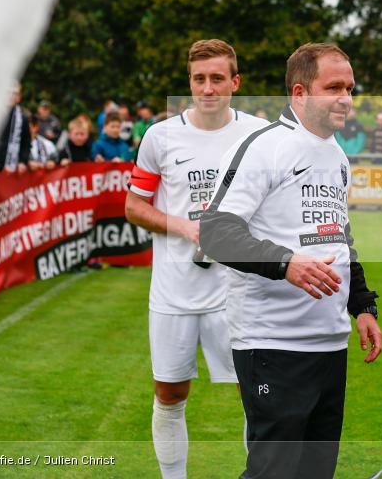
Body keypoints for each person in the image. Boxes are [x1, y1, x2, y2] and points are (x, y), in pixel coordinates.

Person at [200, 43, 382, 479]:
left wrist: (362, 306)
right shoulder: (265, 148)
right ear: (300, 92)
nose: (345, 98)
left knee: (316, 472)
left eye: (350, 88)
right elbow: (216, 232)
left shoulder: (336, 154)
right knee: (273, 472)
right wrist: (286, 263)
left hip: (329, 343)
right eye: (333, 87)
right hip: (272, 342)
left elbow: (339, 237)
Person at [125, 39, 268, 479]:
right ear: (189, 82)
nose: (208, 88)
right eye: (199, 79)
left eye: (217, 79)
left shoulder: (259, 135)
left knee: (256, 395)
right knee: (170, 395)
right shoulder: (160, 136)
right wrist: (185, 228)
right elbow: (134, 207)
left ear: (235, 82)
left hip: (239, 291)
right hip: (175, 291)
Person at [0, 84, 31, 172]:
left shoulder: (23, 118)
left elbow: (26, 143)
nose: (11, 95)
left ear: (19, 98)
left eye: (15, 93)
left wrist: (22, 162)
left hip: (10, 169)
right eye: (8, 92)